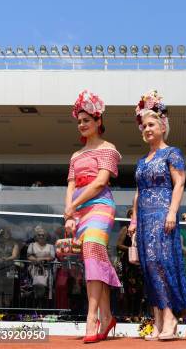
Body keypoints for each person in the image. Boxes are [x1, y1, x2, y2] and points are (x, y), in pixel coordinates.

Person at [128, 90, 186, 341]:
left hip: (163, 214)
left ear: (163, 126)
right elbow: (137, 192)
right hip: (143, 218)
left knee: (162, 263)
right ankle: (157, 320)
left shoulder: (171, 153)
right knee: (148, 266)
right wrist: (133, 222)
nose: (147, 129)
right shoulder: (142, 160)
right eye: (144, 126)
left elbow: (180, 183)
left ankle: (170, 317)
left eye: (151, 124)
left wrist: (173, 212)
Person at [64, 90, 121, 342]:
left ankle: (92, 317)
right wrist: (69, 214)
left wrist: (73, 205)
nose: (82, 124)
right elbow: (71, 186)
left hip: (101, 207)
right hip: (80, 211)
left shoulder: (109, 149)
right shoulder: (75, 156)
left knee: (92, 250)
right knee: (94, 257)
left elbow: (99, 183)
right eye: (79, 121)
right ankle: (107, 317)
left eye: (87, 119)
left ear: (98, 121)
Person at [116, 208, 144, 319]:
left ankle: (137, 315)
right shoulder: (126, 228)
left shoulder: (142, 230)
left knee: (140, 291)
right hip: (128, 265)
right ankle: (127, 315)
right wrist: (131, 250)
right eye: (134, 215)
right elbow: (118, 245)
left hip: (139, 265)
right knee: (128, 291)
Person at [27, 226, 56, 308]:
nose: (41, 236)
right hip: (34, 270)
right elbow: (29, 256)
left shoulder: (50, 246)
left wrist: (40, 259)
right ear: (36, 236)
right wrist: (36, 261)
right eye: (39, 235)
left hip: (47, 270)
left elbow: (52, 257)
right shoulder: (32, 245)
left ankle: (45, 309)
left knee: (47, 291)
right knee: (35, 290)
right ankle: (34, 309)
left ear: (46, 236)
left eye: (43, 235)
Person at [0, 227, 19, 308]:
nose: (6, 234)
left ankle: (7, 307)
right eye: (5, 233)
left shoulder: (14, 243)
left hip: (10, 267)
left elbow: (14, 255)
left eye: (8, 232)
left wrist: (6, 259)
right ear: (2, 234)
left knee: (9, 287)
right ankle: (0, 307)